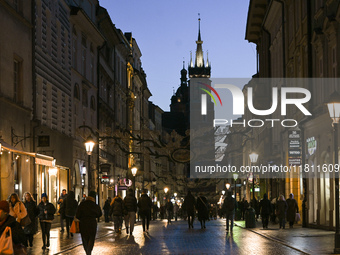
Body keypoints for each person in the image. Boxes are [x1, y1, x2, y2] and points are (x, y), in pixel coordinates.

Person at [76, 191, 102, 255]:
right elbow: (99, 214)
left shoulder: (82, 204)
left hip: (83, 223)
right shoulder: (95, 205)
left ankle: (86, 251)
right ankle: (89, 251)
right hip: (92, 223)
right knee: (91, 238)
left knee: (84, 238)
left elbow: (77, 215)